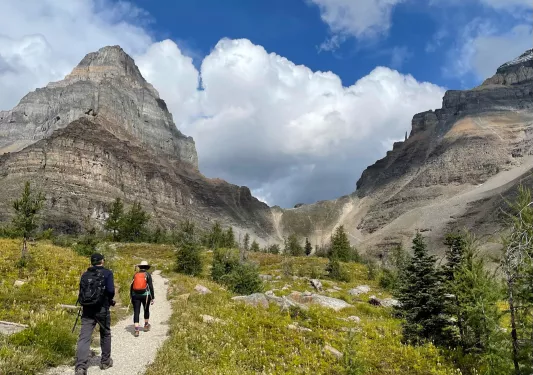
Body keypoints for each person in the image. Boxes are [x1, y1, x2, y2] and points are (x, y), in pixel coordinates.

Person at [75, 253, 115, 375]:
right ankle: (105, 361)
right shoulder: (107, 273)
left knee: (84, 337)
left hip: (87, 309)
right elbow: (111, 291)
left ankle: (81, 367)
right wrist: (109, 300)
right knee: (105, 333)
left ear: (92, 262)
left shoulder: (85, 274)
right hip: (102, 308)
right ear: (102, 261)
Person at [130, 260, 155, 337]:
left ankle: (136, 330)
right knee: (146, 309)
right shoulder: (147, 274)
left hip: (135, 295)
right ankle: (146, 325)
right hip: (145, 295)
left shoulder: (136, 274)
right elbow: (150, 286)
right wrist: (152, 297)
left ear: (140, 267)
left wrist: (131, 296)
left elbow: (131, 286)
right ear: (147, 267)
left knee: (136, 311)